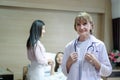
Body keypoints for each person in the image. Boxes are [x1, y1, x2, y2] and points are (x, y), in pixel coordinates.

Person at [61, 12, 112, 80]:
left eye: (85, 24)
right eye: (78, 24)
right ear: (75, 27)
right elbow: (64, 72)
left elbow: (107, 72)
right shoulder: (69, 46)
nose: (81, 27)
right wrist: (68, 63)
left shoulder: (99, 45)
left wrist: (96, 62)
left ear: (91, 25)